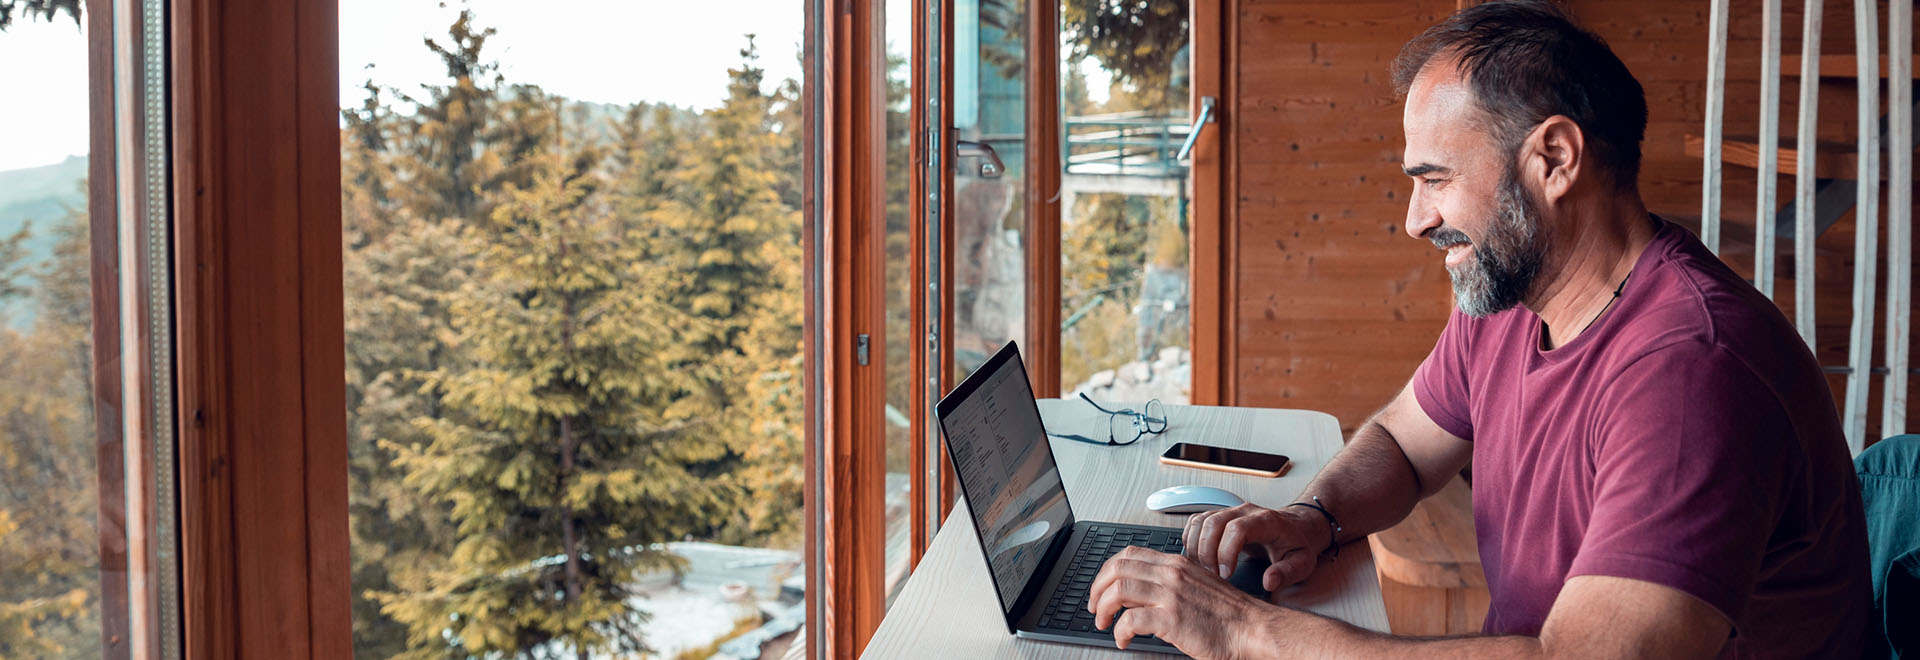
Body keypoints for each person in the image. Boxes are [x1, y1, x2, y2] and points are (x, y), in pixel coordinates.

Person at [1084, 2, 1874, 657]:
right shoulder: (1514, 294)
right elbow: (1400, 440)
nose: (1414, 219)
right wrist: (1312, 519)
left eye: (1436, 179)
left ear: (1555, 159)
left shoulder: (1692, 371)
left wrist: (1241, 628)